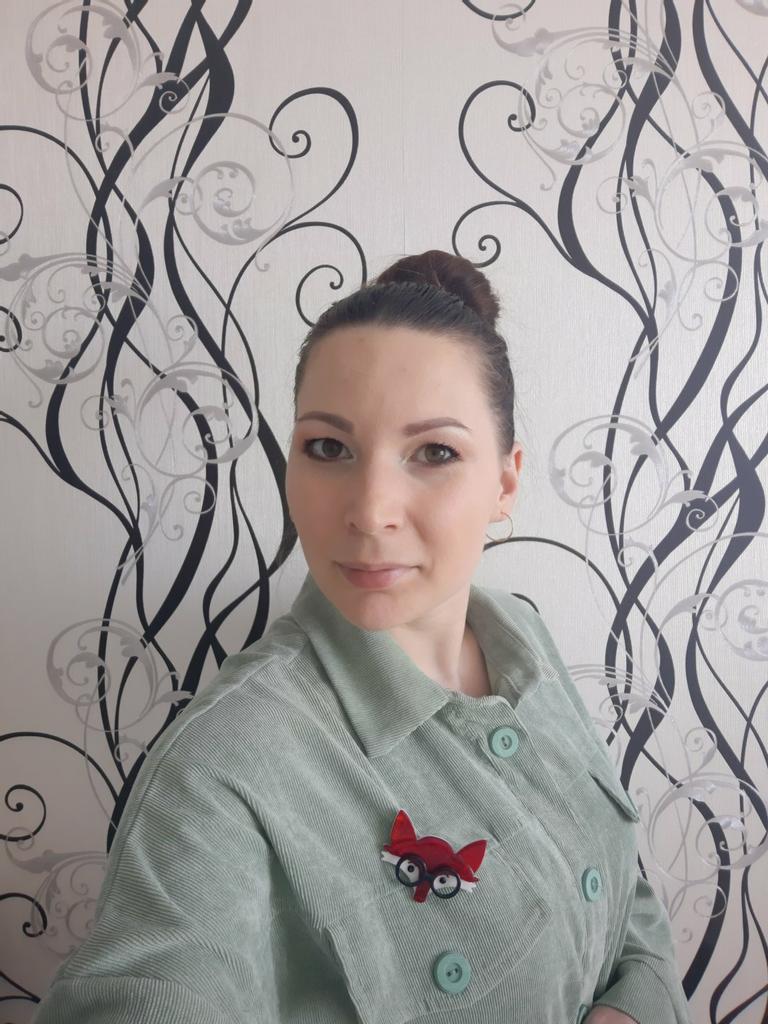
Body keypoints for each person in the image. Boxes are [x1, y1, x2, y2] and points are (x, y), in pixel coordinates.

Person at [33, 250, 692, 1023]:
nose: (371, 510)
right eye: (328, 448)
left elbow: (623, 889)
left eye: (435, 452)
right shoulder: (222, 770)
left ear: (505, 483)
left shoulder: (525, 635)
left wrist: (634, 1006)